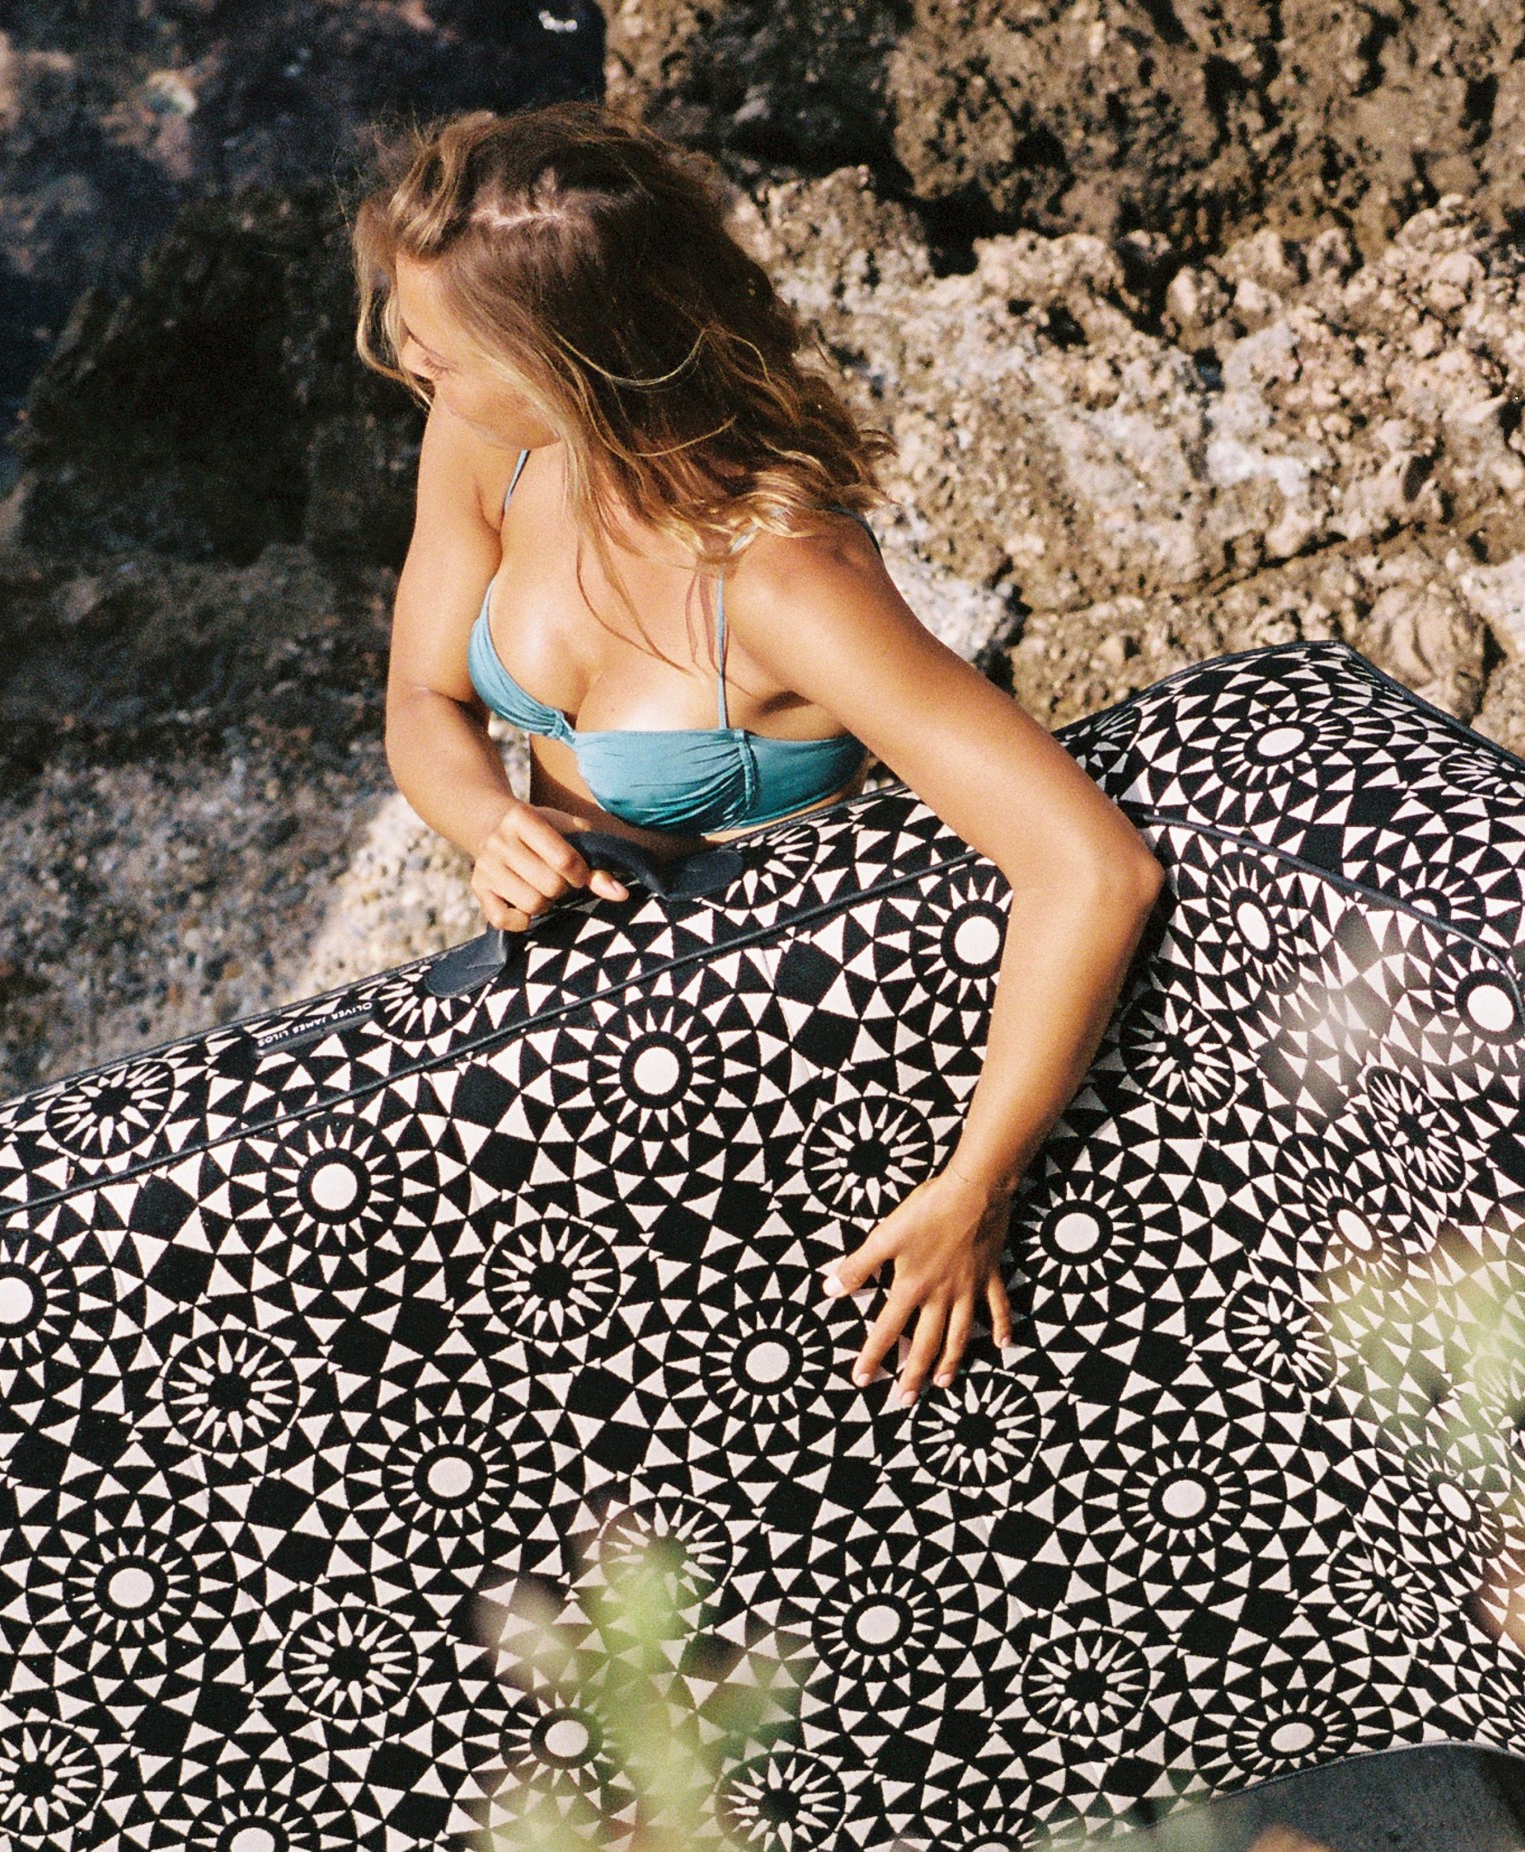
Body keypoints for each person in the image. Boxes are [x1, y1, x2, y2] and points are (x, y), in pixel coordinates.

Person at [355, 103, 1163, 1411]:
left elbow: (1092, 869)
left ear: (565, 355)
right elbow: (419, 693)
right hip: (586, 1000)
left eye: (435, 341)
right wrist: (483, 820)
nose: (402, 360)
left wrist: (976, 1190)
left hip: (807, 1039)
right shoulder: (492, 443)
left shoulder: (785, 577)